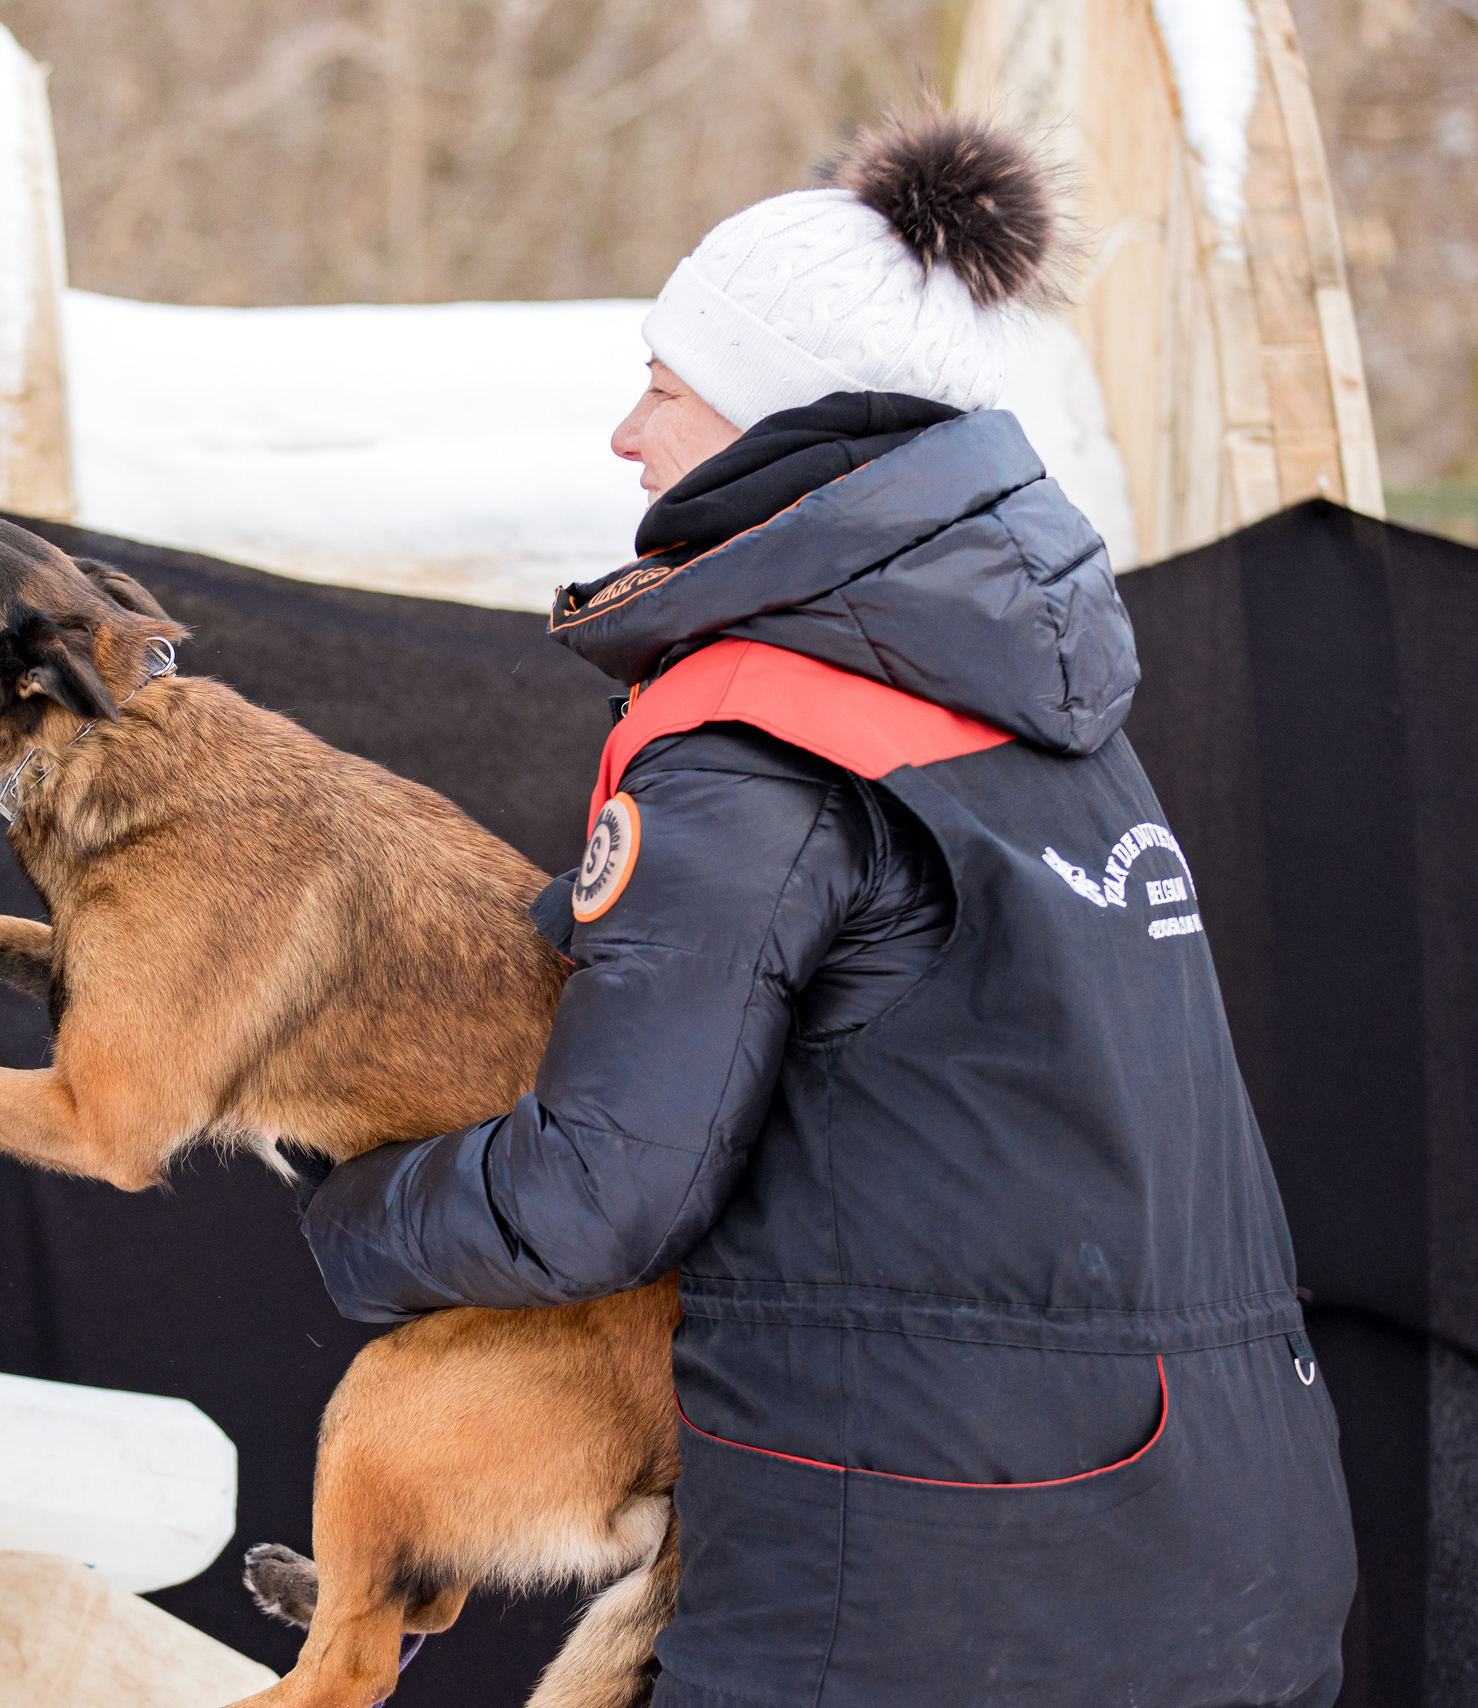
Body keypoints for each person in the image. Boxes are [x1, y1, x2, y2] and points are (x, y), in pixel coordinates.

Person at [294, 111, 1356, 1705]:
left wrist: (348, 1208)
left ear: (774, 416)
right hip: (1235, 1548)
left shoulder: (759, 735)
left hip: (935, 1581)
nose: (626, 437)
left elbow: (603, 1189)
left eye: (663, 384)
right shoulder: (1060, 719)